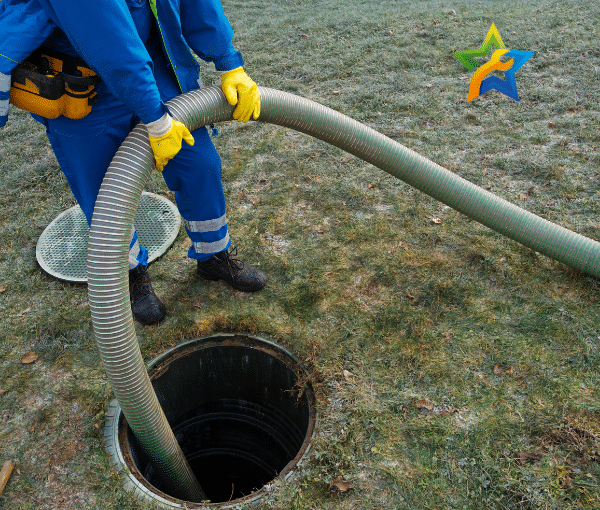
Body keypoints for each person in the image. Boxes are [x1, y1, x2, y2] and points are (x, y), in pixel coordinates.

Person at [0, 0, 266, 325]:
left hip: (151, 66)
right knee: (104, 197)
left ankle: (214, 254)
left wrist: (228, 62)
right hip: (78, 82)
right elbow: (104, 32)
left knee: (200, 164)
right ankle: (133, 273)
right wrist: (155, 118)